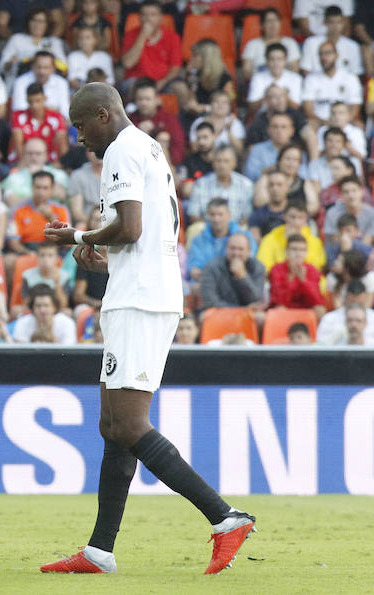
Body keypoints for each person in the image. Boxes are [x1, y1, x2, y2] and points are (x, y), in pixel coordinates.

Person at [42, 83, 254, 575]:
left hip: (139, 302)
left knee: (130, 424)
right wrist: (103, 259)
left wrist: (74, 236)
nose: (78, 138)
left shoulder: (119, 151)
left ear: (102, 114)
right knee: (113, 425)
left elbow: (131, 227)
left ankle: (226, 518)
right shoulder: (149, 148)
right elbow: (140, 238)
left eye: (80, 126)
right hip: (141, 290)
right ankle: (98, 551)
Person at [120, 0, 182, 91]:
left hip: (163, 81)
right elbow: (128, 63)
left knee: (180, 88)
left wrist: (162, 82)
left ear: (160, 18)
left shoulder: (172, 37)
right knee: (128, 86)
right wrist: (143, 35)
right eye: (144, 15)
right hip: (137, 81)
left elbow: (175, 68)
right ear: (139, 17)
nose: (148, 19)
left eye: (153, 15)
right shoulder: (130, 35)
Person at [301, 41, 363, 128]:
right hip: (319, 123)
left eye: (327, 53)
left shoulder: (350, 78)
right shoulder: (311, 79)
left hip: (344, 123)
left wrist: (341, 122)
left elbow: (354, 107)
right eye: (321, 54)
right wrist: (325, 123)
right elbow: (308, 110)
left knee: (359, 127)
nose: (324, 57)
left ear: (336, 55)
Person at [186, 148, 254, 225]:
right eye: (218, 161)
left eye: (226, 161)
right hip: (207, 230)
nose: (222, 165)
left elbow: (247, 216)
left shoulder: (246, 185)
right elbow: (193, 214)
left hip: (236, 230)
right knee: (196, 228)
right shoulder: (201, 183)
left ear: (234, 163)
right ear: (213, 163)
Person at [200, 233, 267, 310]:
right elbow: (209, 302)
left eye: (240, 249)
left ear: (249, 251)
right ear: (226, 249)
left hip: (249, 314)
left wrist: (242, 276)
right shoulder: (212, 267)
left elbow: (257, 300)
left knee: (260, 317)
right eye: (232, 248)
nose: (236, 253)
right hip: (219, 314)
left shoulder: (258, 267)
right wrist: (241, 309)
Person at [257, 199, 326, 274]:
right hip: (278, 281)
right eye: (292, 217)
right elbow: (263, 267)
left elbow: (317, 269)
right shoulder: (269, 239)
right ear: (284, 216)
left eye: (300, 217)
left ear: (306, 219)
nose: (296, 222)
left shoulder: (315, 242)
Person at [11, 82, 69, 165]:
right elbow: (18, 144)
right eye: (31, 102)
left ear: (45, 99)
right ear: (27, 100)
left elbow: (62, 144)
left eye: (38, 101)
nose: (34, 105)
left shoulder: (56, 117)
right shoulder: (18, 116)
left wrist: (62, 164)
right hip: (24, 161)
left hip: (49, 162)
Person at [241, 8, 301, 81]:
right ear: (261, 25)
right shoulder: (252, 44)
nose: (273, 24)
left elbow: (295, 69)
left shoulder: (290, 43)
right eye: (269, 21)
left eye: (276, 20)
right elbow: (246, 72)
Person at [11, 51, 71, 120]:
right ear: (32, 66)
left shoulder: (62, 83)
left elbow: (65, 113)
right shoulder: (20, 82)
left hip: (55, 123)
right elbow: (19, 110)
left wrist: (39, 109)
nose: (41, 71)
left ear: (53, 69)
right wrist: (50, 110)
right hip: (27, 124)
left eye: (46, 67)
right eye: (39, 67)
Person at [247, 43, 303, 114]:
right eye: (272, 59)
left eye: (280, 59)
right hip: (264, 116)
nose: (276, 63)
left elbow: (296, 107)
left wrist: (281, 95)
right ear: (267, 61)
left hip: (289, 117)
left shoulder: (296, 78)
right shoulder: (257, 78)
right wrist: (268, 95)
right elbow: (252, 107)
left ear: (285, 61)